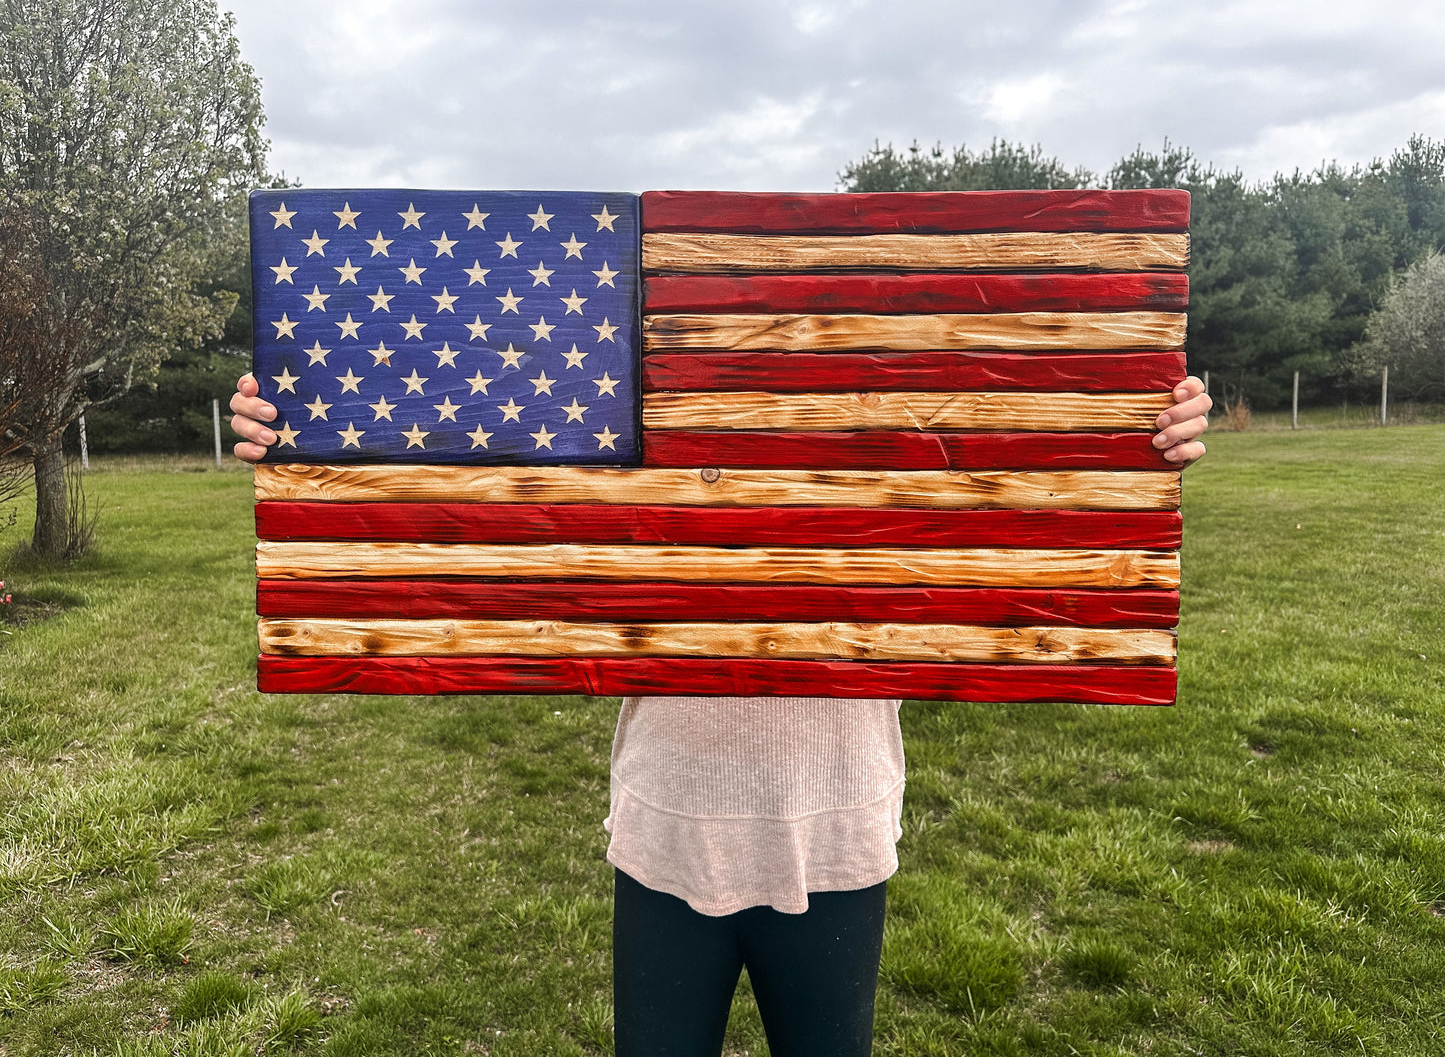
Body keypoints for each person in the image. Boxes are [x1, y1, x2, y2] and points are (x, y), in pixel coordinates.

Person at [232, 373, 1211, 1056]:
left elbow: (1032, 520)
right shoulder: (640, 462)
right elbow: (464, 496)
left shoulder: (892, 473)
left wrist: (1137, 442)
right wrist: (300, 444)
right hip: (667, 836)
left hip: (833, 835)